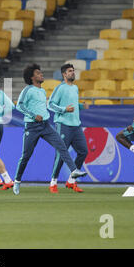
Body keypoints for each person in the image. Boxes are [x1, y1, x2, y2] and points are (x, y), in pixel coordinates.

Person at [13, 64, 87, 195]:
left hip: (46, 125)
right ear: (31, 77)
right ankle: (17, 181)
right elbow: (19, 106)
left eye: (41, 72)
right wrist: (33, 115)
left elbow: (45, 106)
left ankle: (73, 170)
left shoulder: (42, 91)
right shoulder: (28, 90)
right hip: (32, 126)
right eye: (38, 73)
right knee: (26, 156)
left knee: (61, 146)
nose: (41, 74)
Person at [47, 64, 90, 194]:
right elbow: (50, 104)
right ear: (64, 74)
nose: (73, 73)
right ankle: (53, 182)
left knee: (83, 151)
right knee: (61, 154)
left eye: (73, 71)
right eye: (70, 71)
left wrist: (81, 106)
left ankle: (71, 181)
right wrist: (64, 109)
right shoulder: (60, 88)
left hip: (76, 126)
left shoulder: (75, 88)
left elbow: (73, 104)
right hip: (63, 125)